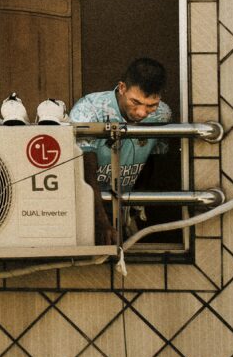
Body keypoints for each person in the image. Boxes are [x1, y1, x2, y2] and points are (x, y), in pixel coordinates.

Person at [70, 57, 172, 243]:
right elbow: (84, 168)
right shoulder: (90, 108)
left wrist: (138, 204)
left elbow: (155, 163)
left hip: (127, 203)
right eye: (135, 102)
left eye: (151, 105)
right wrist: (101, 221)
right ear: (122, 88)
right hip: (89, 200)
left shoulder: (162, 113)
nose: (141, 113)